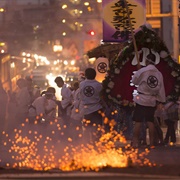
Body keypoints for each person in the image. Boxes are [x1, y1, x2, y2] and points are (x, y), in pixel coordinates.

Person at [131, 53, 166, 148]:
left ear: (146, 61)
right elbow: (161, 89)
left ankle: (135, 142)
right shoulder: (158, 74)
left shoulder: (142, 71)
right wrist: (161, 101)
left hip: (141, 100)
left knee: (138, 121)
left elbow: (134, 82)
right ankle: (151, 143)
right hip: (151, 100)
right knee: (150, 121)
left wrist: (138, 73)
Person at [79, 68, 104, 144]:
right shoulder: (98, 85)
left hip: (87, 110)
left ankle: (87, 144)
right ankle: (96, 143)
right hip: (96, 108)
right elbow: (101, 97)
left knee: (87, 129)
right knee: (97, 129)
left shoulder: (82, 84)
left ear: (86, 75)